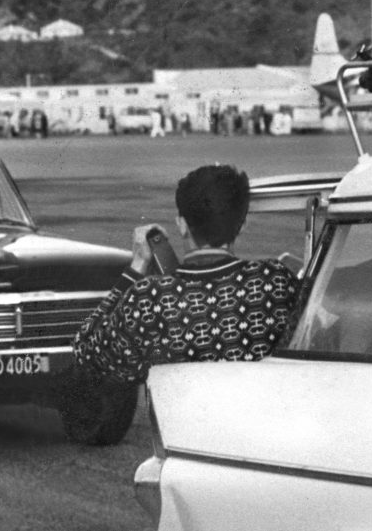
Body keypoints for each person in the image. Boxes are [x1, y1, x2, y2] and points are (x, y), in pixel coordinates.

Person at [72, 164, 301, 384]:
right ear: (241, 225)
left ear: (182, 225)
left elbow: (85, 353)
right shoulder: (274, 280)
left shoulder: (149, 298)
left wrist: (138, 265)